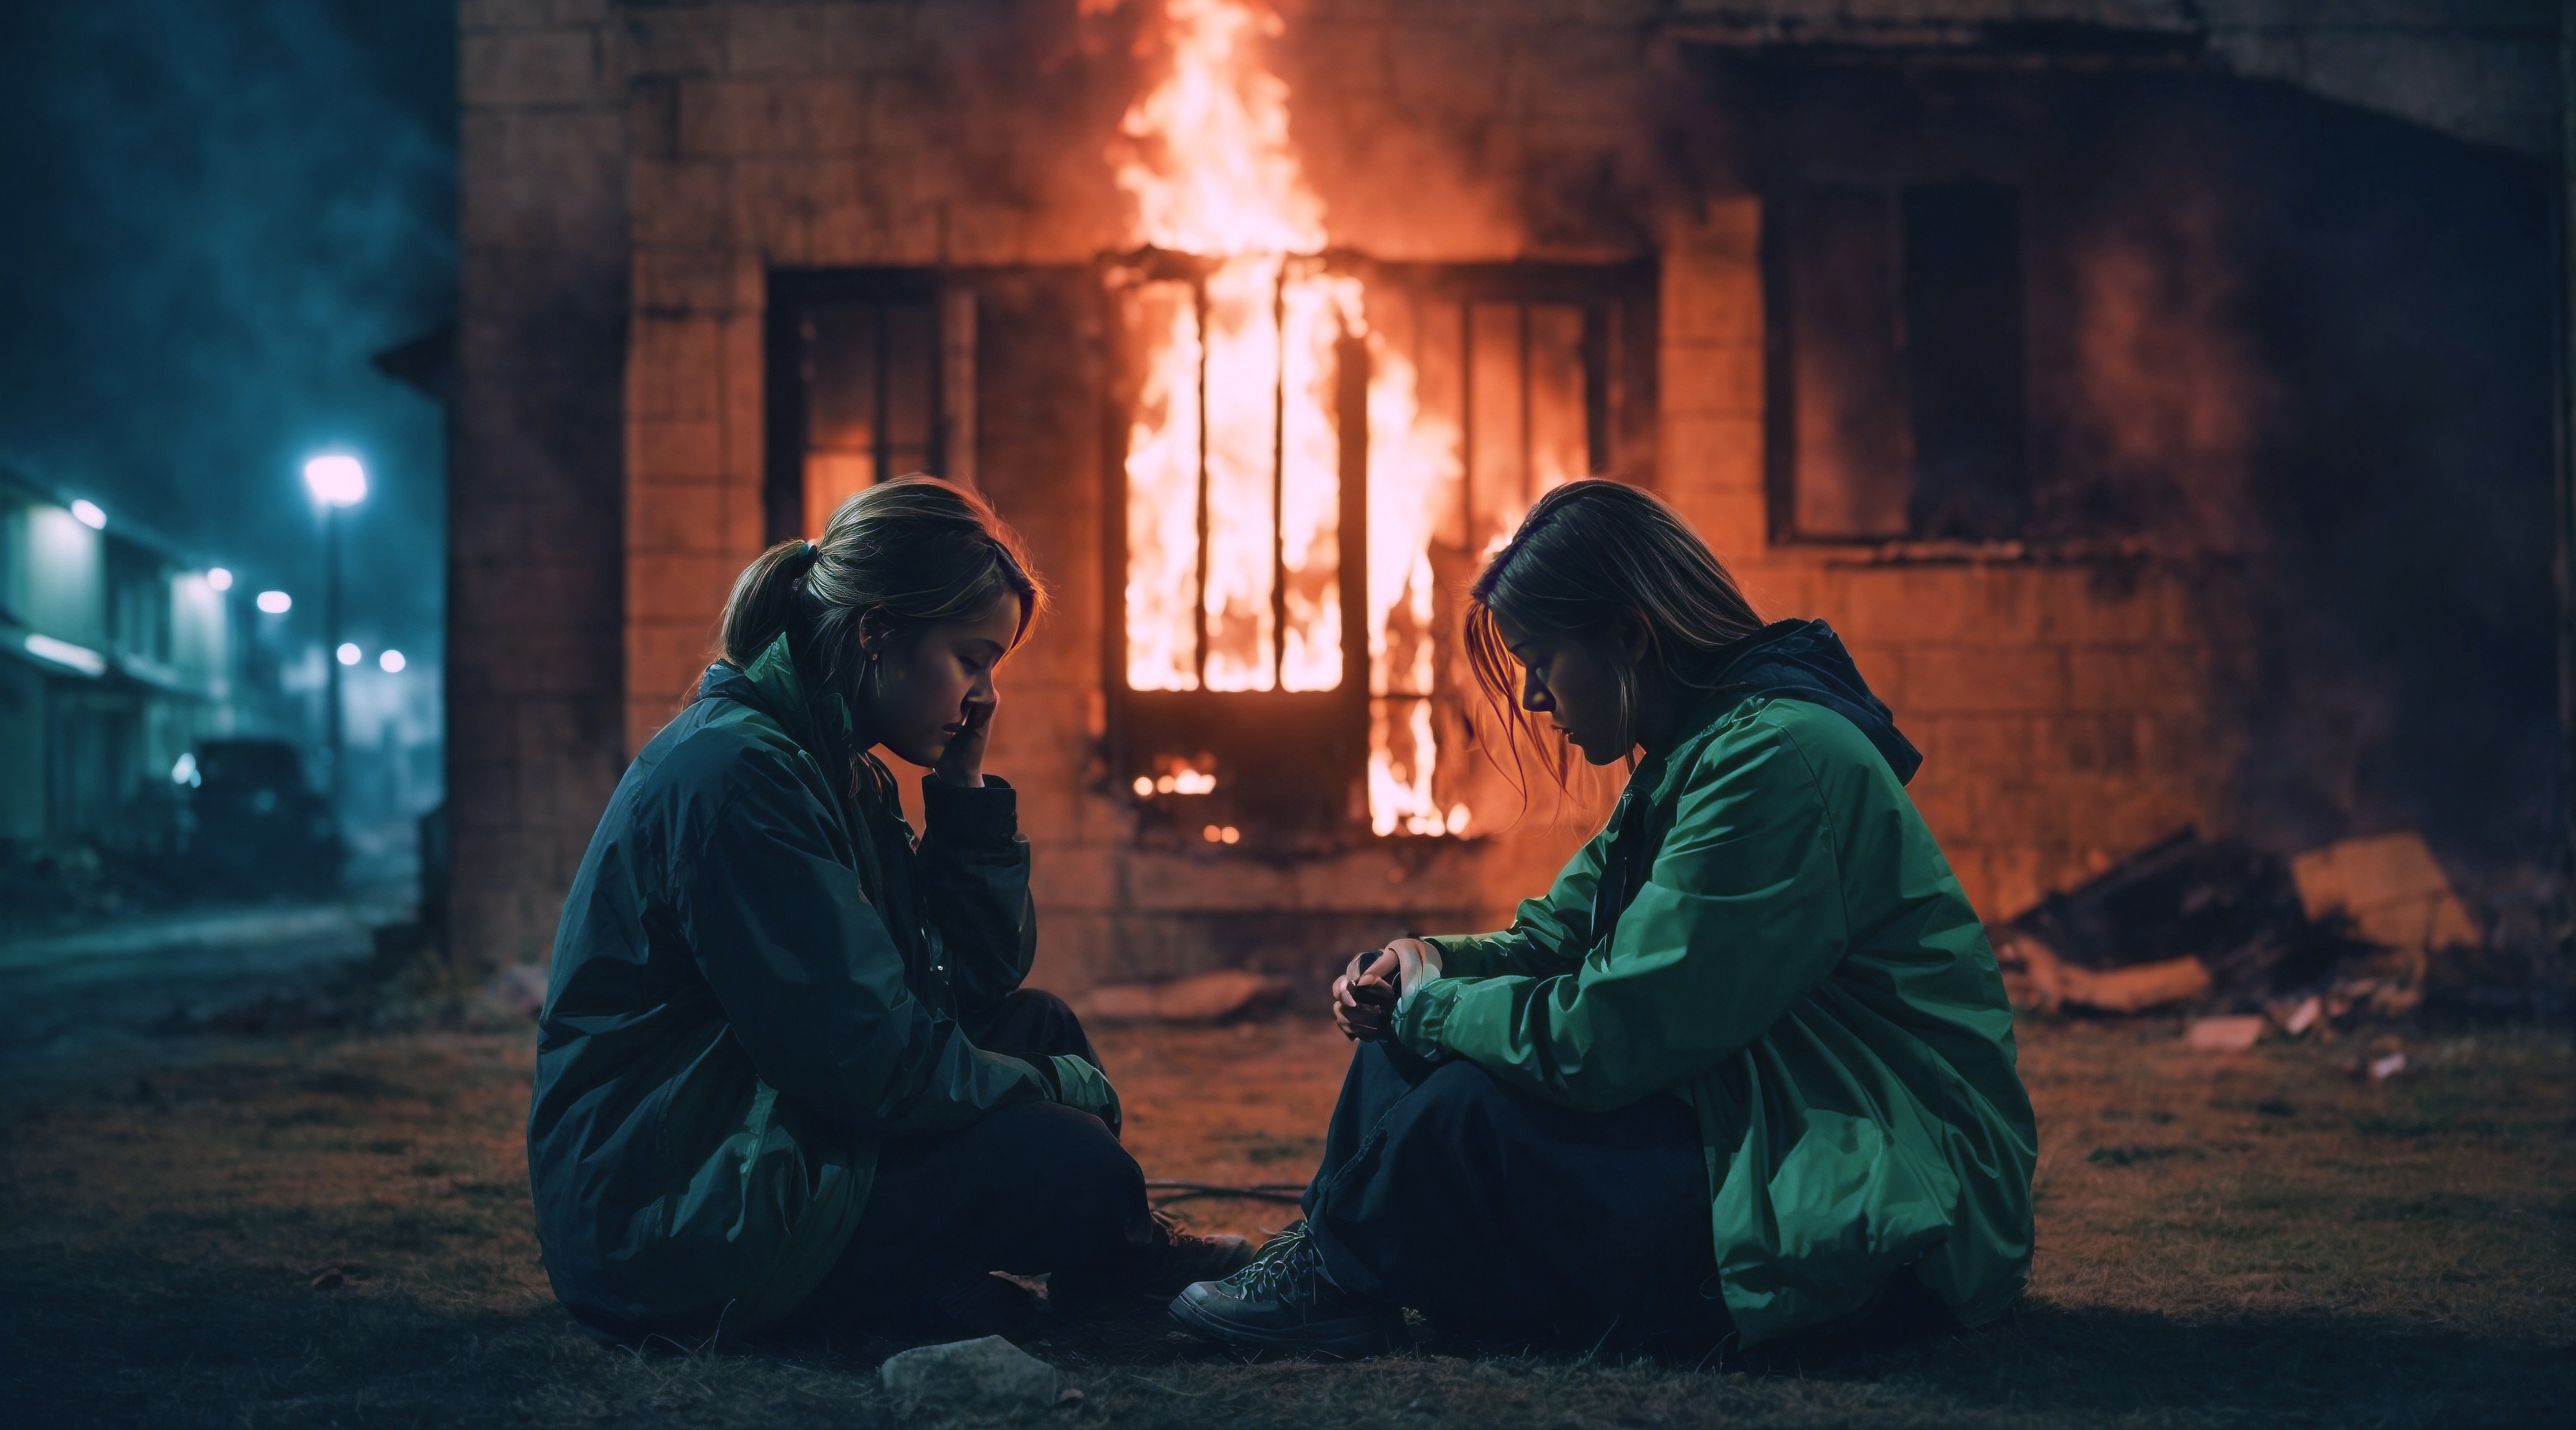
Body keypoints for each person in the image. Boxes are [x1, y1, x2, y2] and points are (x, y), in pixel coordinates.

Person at [1169, 479, 2037, 1356]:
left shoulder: (1776, 761)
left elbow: (1611, 1036)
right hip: (1767, 1115)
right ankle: (1342, 1262)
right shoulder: (1693, 757)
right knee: (1414, 1037)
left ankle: (1347, 1267)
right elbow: (1555, 939)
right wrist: (1420, 961)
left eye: (1542, 659)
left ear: (1628, 634)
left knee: (1466, 1106)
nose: (1536, 698)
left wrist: (1428, 1005)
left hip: (1879, 1186)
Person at [529, 475, 1248, 1347]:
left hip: (754, 1127)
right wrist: (1058, 1089)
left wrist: (963, 790)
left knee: (1039, 1026)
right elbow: (869, 1061)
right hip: (679, 1206)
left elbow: (968, 979)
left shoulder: (836, 768)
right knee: (1073, 1161)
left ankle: (1102, 1281)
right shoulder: (739, 779)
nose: (984, 695)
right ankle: (923, 1295)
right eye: (971, 658)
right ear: (877, 633)